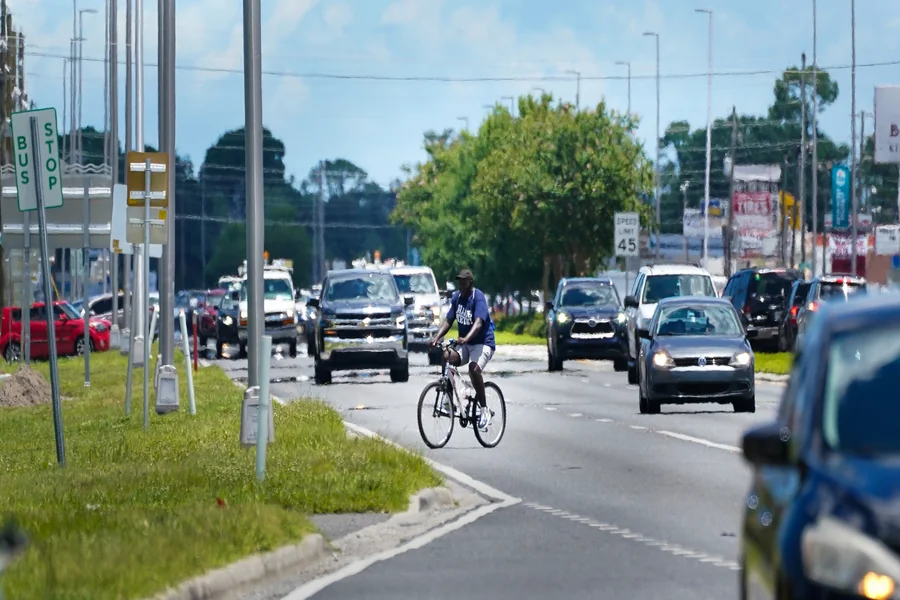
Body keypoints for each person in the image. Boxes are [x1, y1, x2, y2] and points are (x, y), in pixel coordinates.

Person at [430, 268, 496, 430]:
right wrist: (437, 337)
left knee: (473, 369)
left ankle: (484, 410)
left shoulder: (478, 298)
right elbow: (448, 321)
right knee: (446, 356)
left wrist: (466, 338)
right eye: (459, 283)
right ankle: (448, 402)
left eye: (464, 283)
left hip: (483, 343)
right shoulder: (456, 298)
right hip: (466, 344)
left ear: (470, 283)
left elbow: (479, 323)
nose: (461, 286)